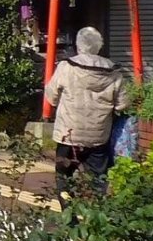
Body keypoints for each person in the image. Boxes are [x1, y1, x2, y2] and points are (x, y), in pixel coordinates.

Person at [44, 26, 129, 206]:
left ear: (78, 46)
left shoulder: (66, 67)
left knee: (64, 178)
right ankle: (96, 218)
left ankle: (70, 217)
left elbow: (51, 97)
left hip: (69, 135)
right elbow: (123, 104)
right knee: (99, 180)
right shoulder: (113, 72)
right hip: (98, 136)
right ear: (99, 46)